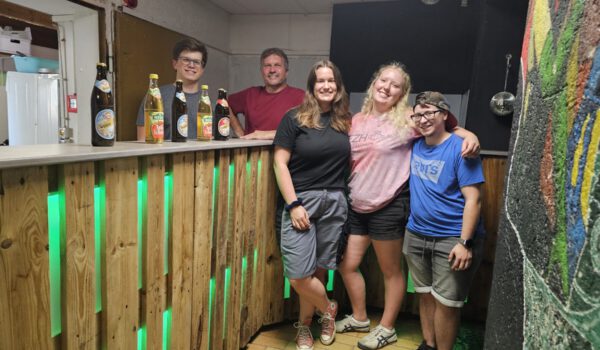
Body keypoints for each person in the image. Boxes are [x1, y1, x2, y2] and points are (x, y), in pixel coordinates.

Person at [335, 63, 480, 350]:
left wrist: (470, 135)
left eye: (396, 85)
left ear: (402, 94)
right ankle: (361, 317)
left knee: (392, 271)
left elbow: (446, 125)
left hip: (388, 205)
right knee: (347, 265)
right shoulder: (357, 120)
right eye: (383, 80)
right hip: (357, 204)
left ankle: (386, 328)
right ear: (374, 82)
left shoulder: (408, 119)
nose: (387, 87)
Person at [273, 60, 351, 350]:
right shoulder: (294, 118)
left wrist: (461, 132)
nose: (326, 85)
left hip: (335, 202)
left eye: (331, 80)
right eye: (320, 81)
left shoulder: (346, 121)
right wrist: (293, 204)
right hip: (301, 201)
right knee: (298, 275)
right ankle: (329, 310)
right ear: (312, 86)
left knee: (318, 270)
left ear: (339, 86)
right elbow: (280, 163)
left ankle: (305, 327)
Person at [403, 91, 485, 350]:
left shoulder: (462, 150)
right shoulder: (415, 144)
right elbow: (400, 113)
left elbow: (474, 200)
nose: (423, 119)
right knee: (425, 295)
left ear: (444, 115)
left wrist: (465, 243)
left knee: (447, 304)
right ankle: (428, 344)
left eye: (430, 112)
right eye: (419, 114)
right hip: (416, 235)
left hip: (451, 239)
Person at [136, 38, 208, 141]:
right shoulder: (155, 97)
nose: (191, 65)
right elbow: (143, 143)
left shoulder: (209, 103)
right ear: (174, 64)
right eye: (186, 60)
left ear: (202, 69)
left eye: (196, 62)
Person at [229, 47, 305, 139]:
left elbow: (309, 131)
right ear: (262, 71)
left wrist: (266, 135)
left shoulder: (301, 97)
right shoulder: (250, 94)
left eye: (277, 65)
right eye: (267, 65)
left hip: (287, 152)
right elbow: (223, 103)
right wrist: (240, 132)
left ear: (286, 72)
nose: (272, 70)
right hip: (252, 153)